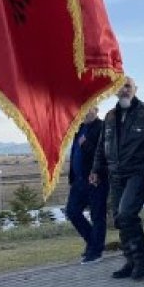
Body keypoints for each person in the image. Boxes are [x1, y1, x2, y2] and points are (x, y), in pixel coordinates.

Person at [91, 77, 144, 280]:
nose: (124, 90)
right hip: (115, 175)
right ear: (114, 91)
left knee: (126, 214)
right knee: (120, 218)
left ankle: (142, 259)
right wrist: (96, 170)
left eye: (128, 86)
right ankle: (131, 260)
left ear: (135, 89)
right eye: (120, 87)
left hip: (139, 173)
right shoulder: (110, 116)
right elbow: (102, 146)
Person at [65, 106, 108, 263]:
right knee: (72, 211)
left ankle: (95, 251)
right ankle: (93, 242)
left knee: (97, 215)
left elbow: (104, 153)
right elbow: (74, 153)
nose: (84, 112)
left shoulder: (103, 127)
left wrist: (86, 145)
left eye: (88, 108)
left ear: (96, 109)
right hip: (79, 181)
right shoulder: (80, 128)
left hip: (96, 179)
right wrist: (72, 177)